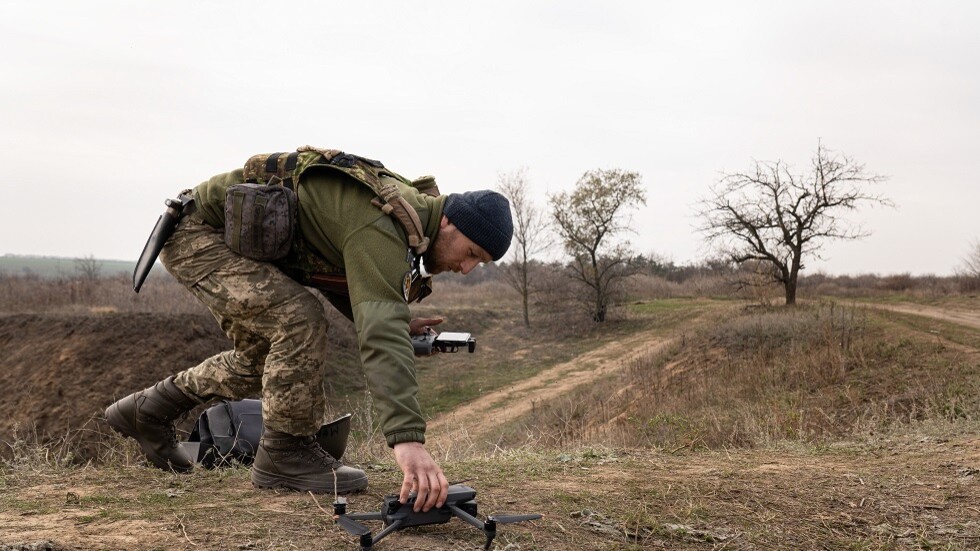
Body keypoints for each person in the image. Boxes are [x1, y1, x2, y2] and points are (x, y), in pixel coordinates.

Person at [105, 148, 513, 514]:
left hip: (221, 238)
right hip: (197, 233)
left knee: (266, 359)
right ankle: (285, 451)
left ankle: (147, 410)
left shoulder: (406, 225)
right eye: (471, 253)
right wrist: (408, 442)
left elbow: (361, 292)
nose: (466, 268)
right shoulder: (384, 222)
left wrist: (402, 323)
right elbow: (379, 336)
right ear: (447, 222)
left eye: (480, 264)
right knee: (299, 319)